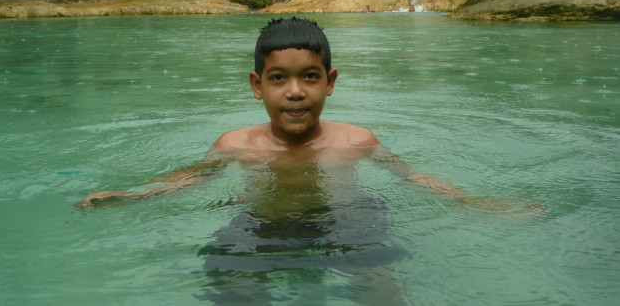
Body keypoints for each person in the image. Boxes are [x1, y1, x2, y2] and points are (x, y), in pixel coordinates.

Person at [78, 17, 537, 303]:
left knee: (379, 287)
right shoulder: (236, 144)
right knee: (226, 273)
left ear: (330, 82)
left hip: (347, 222)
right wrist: (132, 195)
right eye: (279, 78)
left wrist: (475, 202)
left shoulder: (356, 140)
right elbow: (188, 179)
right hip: (262, 225)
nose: (295, 92)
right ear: (257, 85)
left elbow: (412, 177)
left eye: (310, 77)